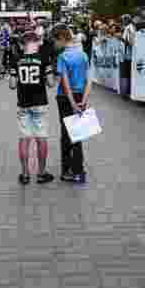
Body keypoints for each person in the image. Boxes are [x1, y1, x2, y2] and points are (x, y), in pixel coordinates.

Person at [9, 29, 55, 185]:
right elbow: (50, 83)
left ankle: (25, 174)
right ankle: (41, 173)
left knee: (24, 138)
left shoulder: (16, 59)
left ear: (23, 44)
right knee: (41, 138)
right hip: (40, 102)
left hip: (23, 103)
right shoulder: (44, 58)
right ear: (36, 43)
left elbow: (12, 85)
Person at [54, 24, 91, 184]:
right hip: (81, 95)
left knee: (66, 135)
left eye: (55, 40)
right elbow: (89, 79)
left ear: (61, 38)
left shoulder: (62, 57)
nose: (54, 44)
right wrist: (83, 100)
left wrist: (71, 102)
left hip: (65, 98)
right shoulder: (83, 55)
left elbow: (65, 82)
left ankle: (67, 170)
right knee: (78, 134)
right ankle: (79, 171)